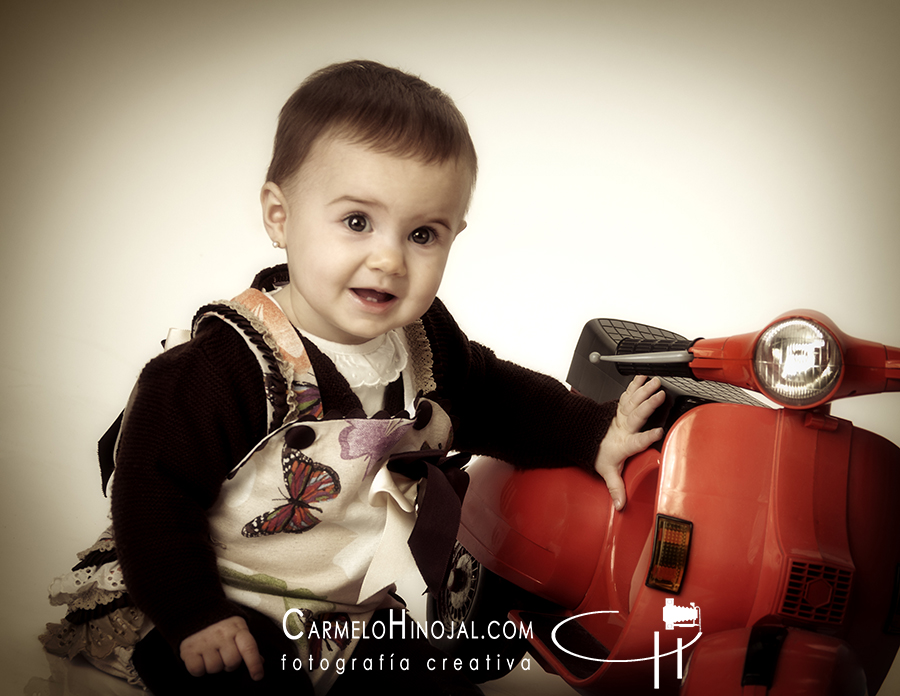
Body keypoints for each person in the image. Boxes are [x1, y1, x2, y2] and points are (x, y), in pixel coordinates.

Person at [41, 60, 664, 694]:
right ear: (280, 216)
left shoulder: (424, 345)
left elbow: (501, 398)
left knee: (473, 645)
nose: (389, 259)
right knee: (235, 673)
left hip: (355, 600)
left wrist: (597, 434)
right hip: (222, 588)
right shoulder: (225, 366)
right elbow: (151, 490)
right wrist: (194, 612)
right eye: (357, 222)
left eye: (423, 234)